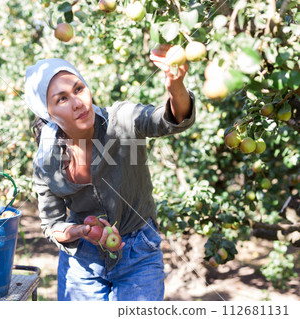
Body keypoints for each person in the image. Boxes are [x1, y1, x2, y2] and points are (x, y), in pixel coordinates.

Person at [24, 45, 196, 301]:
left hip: (138, 251)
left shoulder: (122, 120)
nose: (77, 103)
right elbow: (52, 224)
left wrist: (176, 87)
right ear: (48, 113)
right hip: (82, 259)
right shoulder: (46, 160)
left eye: (78, 89)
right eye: (61, 99)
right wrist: (81, 232)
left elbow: (169, 120)